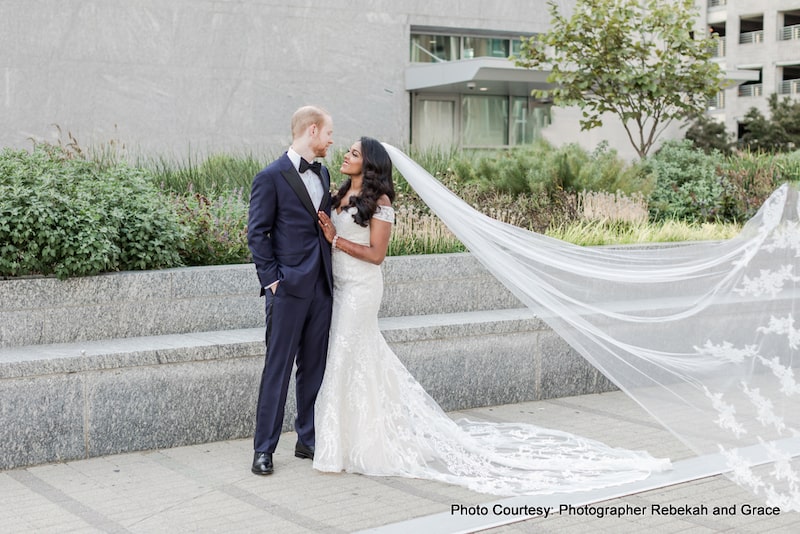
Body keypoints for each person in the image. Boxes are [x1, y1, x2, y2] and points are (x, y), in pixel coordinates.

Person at [313, 138, 670, 496]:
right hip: (340, 287)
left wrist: (335, 239)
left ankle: (345, 445)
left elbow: (377, 255)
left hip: (362, 290)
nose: (346, 154)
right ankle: (355, 436)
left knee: (345, 355)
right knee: (359, 358)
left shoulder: (382, 203)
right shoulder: (338, 193)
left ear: (370, 164)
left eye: (355, 153)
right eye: (349, 151)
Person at [247, 105, 334, 476]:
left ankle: (307, 439)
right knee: (277, 370)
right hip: (287, 289)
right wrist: (273, 281)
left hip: (322, 287)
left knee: (314, 368)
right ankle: (263, 449)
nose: (332, 140)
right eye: (328, 132)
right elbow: (256, 233)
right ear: (312, 130)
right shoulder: (271, 176)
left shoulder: (325, 173)